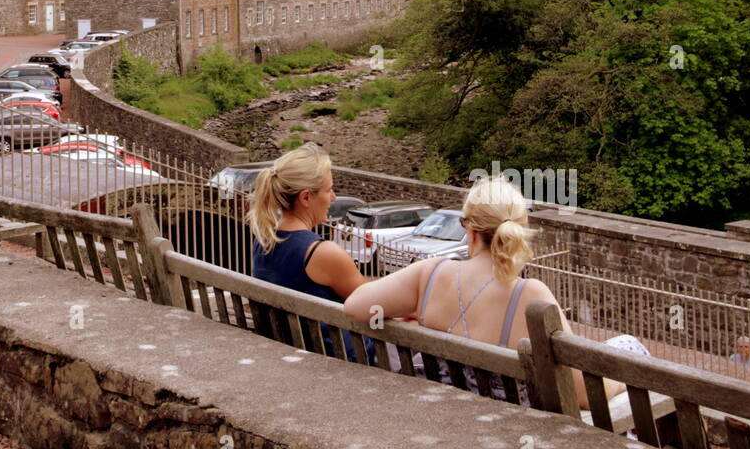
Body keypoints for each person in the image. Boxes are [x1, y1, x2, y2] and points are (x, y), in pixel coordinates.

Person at [344, 174, 648, 408]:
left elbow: (356, 306)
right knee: (629, 345)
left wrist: (413, 309)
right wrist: (623, 382)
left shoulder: (431, 273)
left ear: (470, 229)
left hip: (450, 415)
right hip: (514, 428)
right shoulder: (530, 294)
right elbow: (582, 396)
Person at [247, 143, 367, 356]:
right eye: (329, 190)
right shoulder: (322, 253)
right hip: (347, 361)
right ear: (305, 197)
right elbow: (375, 309)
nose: (334, 197)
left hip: (293, 353)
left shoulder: (264, 240)